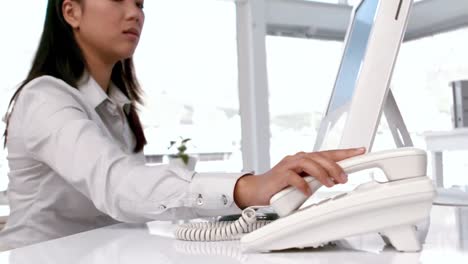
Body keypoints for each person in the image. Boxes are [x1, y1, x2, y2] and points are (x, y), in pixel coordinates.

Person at [0, 0, 365, 250]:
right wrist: (246, 188)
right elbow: (118, 185)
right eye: (119, 0)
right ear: (71, 11)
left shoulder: (117, 107)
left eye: (141, 4)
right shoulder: (44, 98)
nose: (135, 13)